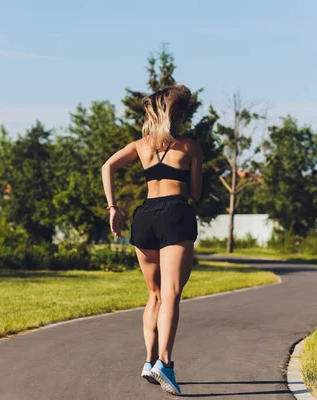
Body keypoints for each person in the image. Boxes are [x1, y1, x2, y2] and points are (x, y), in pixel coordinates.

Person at [101, 84, 202, 395]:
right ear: (180, 115)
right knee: (171, 293)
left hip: (144, 216)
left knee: (155, 294)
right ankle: (165, 364)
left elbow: (107, 166)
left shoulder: (141, 146)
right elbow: (195, 195)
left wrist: (113, 208)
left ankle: (148, 361)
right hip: (175, 214)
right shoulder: (189, 147)